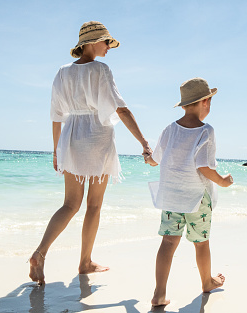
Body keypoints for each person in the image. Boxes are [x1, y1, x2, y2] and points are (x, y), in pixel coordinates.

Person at [28, 21, 152, 285]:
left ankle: (40, 253)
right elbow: (121, 109)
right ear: (94, 42)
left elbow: (55, 115)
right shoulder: (101, 69)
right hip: (97, 136)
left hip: (70, 137)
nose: (108, 47)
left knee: (70, 204)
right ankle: (85, 262)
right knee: (93, 205)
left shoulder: (62, 72)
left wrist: (56, 151)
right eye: (106, 42)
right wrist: (144, 142)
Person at [144, 77, 233, 307]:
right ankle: (206, 282)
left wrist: (148, 158)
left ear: (184, 105)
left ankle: (159, 293)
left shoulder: (169, 130)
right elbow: (203, 166)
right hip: (197, 198)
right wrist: (222, 181)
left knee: (168, 243)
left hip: (172, 197)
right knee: (201, 242)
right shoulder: (206, 131)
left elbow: (155, 160)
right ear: (205, 102)